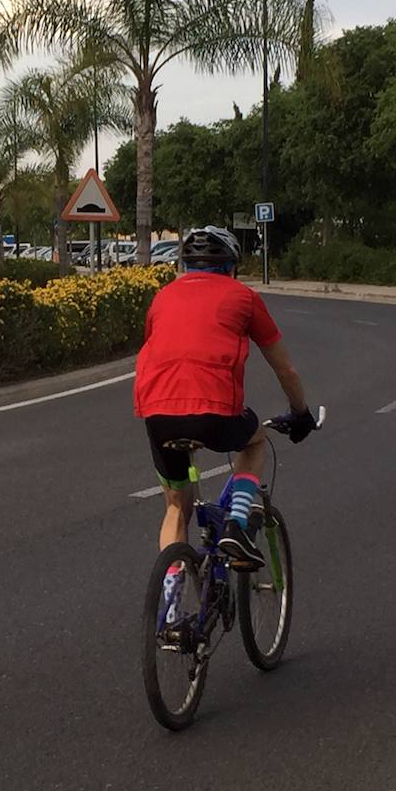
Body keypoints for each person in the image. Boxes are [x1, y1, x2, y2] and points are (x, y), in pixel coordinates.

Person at [134, 226, 317, 564]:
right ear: (232, 267)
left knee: (176, 505)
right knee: (255, 440)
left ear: (186, 266)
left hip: (157, 411)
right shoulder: (243, 297)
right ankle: (236, 523)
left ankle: (171, 601)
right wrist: (301, 412)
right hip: (214, 410)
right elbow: (285, 370)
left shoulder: (163, 296)